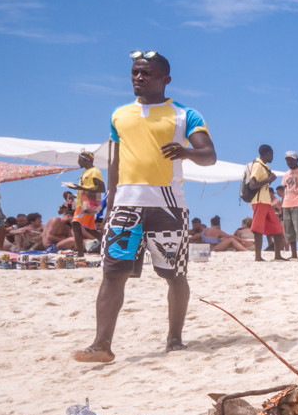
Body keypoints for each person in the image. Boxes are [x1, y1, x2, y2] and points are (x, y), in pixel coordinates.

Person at [74, 50, 216, 364]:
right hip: (125, 206)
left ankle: (175, 339)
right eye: (135, 73)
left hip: (167, 207)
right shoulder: (119, 115)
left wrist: (185, 151)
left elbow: (209, 155)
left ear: (165, 79)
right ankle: (101, 344)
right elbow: (116, 161)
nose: (139, 78)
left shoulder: (185, 114)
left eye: (146, 73)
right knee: (113, 274)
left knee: (174, 275)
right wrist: (109, 206)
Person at [243, 146, 285, 262]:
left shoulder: (263, 166)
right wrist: (269, 180)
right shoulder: (258, 165)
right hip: (259, 201)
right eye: (271, 154)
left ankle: (277, 255)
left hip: (265, 202)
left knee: (277, 229)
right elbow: (252, 184)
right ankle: (258, 257)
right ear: (266, 154)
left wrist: (269, 178)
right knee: (258, 229)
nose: (272, 157)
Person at [66, 150, 105, 254]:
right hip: (81, 203)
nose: (78, 162)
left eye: (80, 160)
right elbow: (86, 188)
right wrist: (75, 194)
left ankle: (80, 253)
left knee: (75, 223)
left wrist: (80, 187)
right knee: (89, 229)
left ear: (86, 160)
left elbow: (101, 188)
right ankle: (107, 245)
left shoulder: (95, 171)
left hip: (88, 203)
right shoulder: (85, 172)